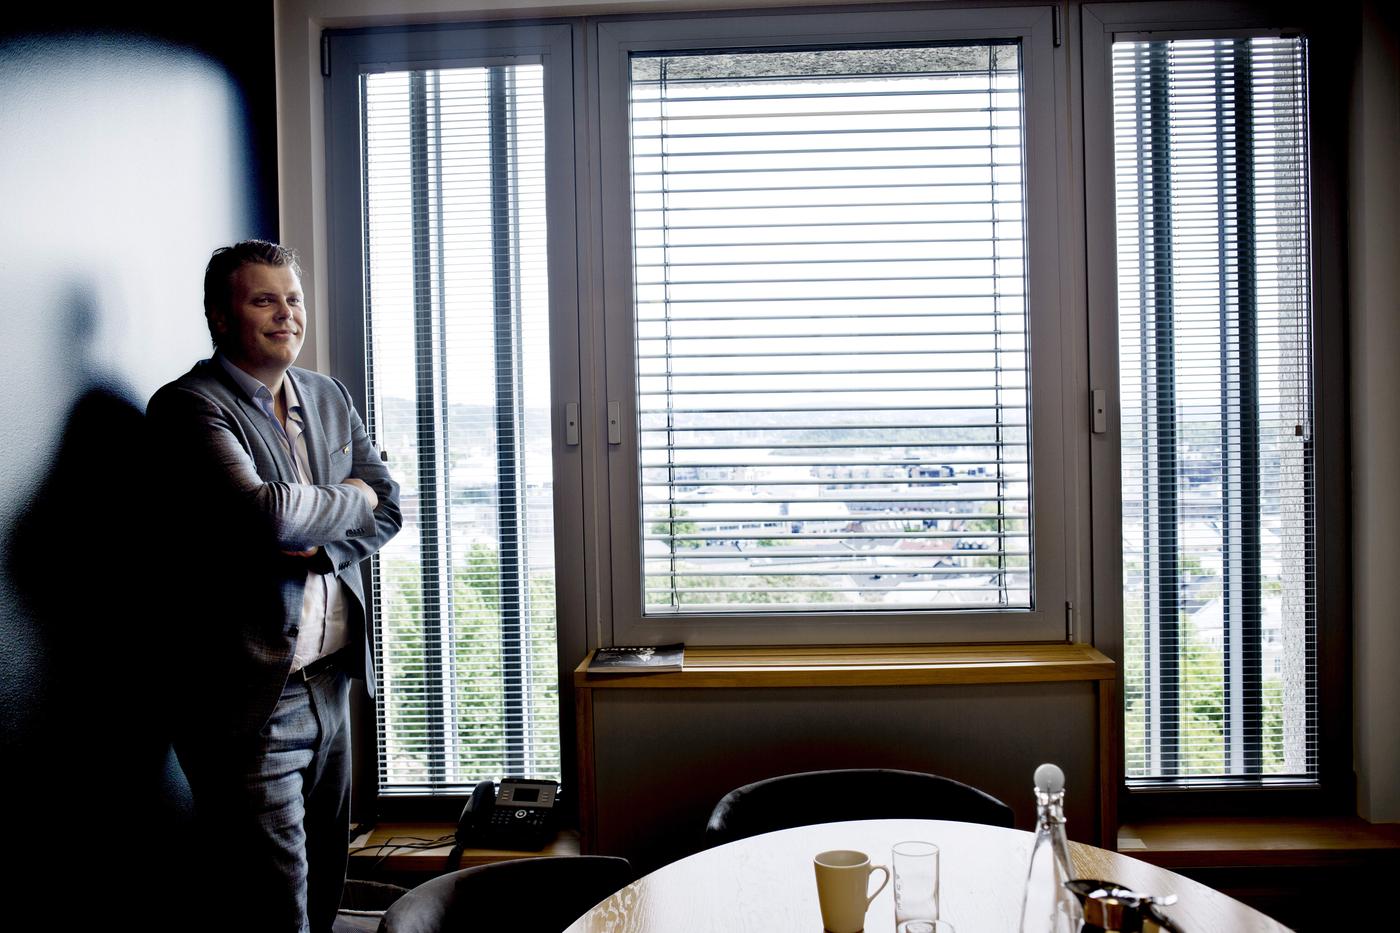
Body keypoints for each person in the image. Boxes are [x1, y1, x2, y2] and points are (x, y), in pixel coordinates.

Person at [147, 240, 401, 932]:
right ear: (220, 317)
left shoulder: (327, 394)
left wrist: (319, 535)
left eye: (294, 299)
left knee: (325, 887)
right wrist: (347, 498)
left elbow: (389, 504)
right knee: (275, 907)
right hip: (251, 702)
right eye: (265, 300)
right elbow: (268, 514)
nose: (287, 314)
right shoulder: (189, 406)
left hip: (332, 685)